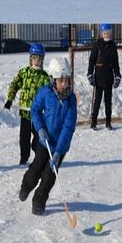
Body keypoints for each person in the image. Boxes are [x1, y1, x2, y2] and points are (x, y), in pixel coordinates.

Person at [19, 57, 77, 216]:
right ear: (53, 80)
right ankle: (25, 186)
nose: (65, 84)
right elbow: (35, 110)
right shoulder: (45, 92)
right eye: (61, 81)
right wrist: (40, 128)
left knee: (49, 177)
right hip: (44, 141)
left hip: (60, 146)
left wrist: (58, 152)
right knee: (36, 169)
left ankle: (38, 201)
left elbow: (68, 128)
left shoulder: (71, 100)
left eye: (67, 80)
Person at [4, 43, 50, 165]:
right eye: (34, 58)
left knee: (38, 136)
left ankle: (37, 153)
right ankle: (23, 158)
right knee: (24, 137)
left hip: (37, 113)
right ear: (30, 58)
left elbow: (49, 94)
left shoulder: (44, 77)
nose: (36, 61)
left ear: (42, 59)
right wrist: (10, 99)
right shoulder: (24, 72)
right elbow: (14, 85)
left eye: (39, 58)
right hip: (25, 111)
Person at [88, 24, 121, 130]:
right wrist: (90, 74)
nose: (107, 34)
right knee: (97, 101)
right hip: (98, 77)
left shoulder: (113, 46)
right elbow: (91, 61)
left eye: (108, 32)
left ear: (111, 33)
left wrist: (117, 75)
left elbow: (116, 62)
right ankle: (93, 122)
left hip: (109, 78)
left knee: (108, 102)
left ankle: (108, 122)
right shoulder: (97, 45)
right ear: (101, 33)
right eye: (105, 32)